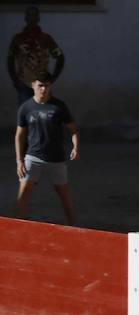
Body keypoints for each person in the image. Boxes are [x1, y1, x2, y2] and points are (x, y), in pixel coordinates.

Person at [14, 73, 77, 224]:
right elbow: (19, 136)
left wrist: (75, 146)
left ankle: (73, 227)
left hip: (56, 159)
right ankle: (19, 229)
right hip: (32, 157)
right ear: (33, 85)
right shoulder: (25, 107)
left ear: (50, 86)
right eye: (40, 85)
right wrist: (19, 161)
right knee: (22, 195)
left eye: (46, 85)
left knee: (64, 195)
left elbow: (73, 129)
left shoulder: (59, 106)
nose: (43, 89)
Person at [8, 6, 63, 102]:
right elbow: (10, 59)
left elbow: (60, 57)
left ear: (38, 18)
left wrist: (52, 78)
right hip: (24, 83)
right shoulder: (18, 39)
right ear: (26, 18)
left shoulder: (46, 38)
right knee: (26, 112)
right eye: (29, 15)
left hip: (42, 84)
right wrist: (15, 79)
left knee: (45, 113)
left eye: (34, 16)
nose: (32, 18)